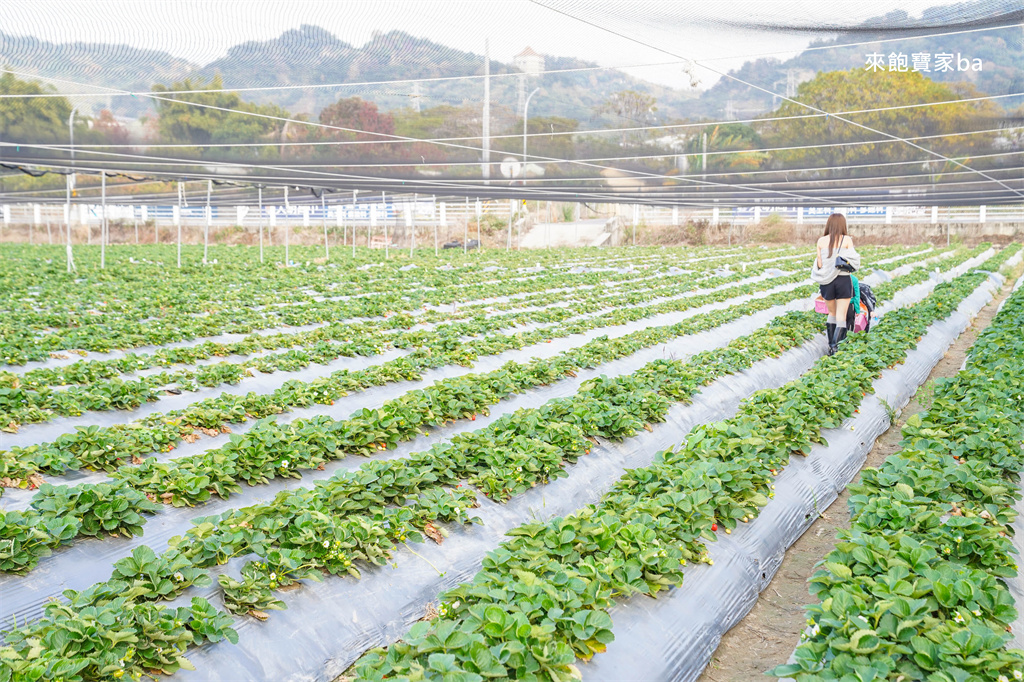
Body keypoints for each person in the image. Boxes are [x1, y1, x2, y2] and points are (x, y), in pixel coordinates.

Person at [811, 213, 861, 355]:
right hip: (843, 280)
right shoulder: (847, 240)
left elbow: (819, 263)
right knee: (841, 315)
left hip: (827, 282)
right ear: (842, 225)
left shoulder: (821, 241)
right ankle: (835, 347)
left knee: (831, 313)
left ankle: (830, 345)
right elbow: (854, 261)